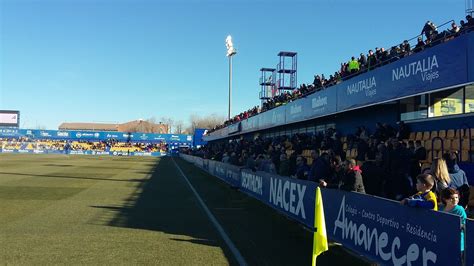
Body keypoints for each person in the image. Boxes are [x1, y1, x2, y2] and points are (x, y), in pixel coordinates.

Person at [439, 188, 467, 252]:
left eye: (456, 197)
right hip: (445, 240)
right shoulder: (441, 208)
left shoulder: (460, 209)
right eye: (452, 198)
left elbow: (464, 225)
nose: (455, 200)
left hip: (457, 242)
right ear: (445, 199)